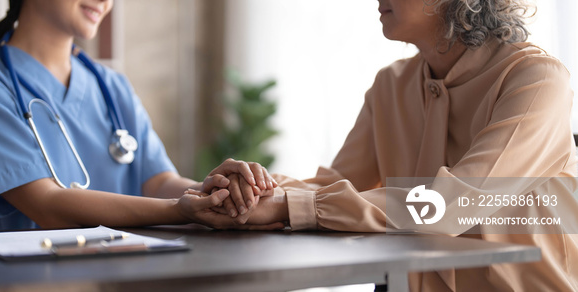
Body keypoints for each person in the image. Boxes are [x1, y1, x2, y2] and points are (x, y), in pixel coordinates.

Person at [198, 0, 578, 291]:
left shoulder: (536, 80)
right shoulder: (390, 85)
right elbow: (336, 182)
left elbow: (453, 204)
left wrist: (295, 205)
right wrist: (252, 188)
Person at [0, 0, 281, 232]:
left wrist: (215, 193)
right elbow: (47, 204)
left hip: (125, 273)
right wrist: (178, 210)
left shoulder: (110, 84)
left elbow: (159, 182)